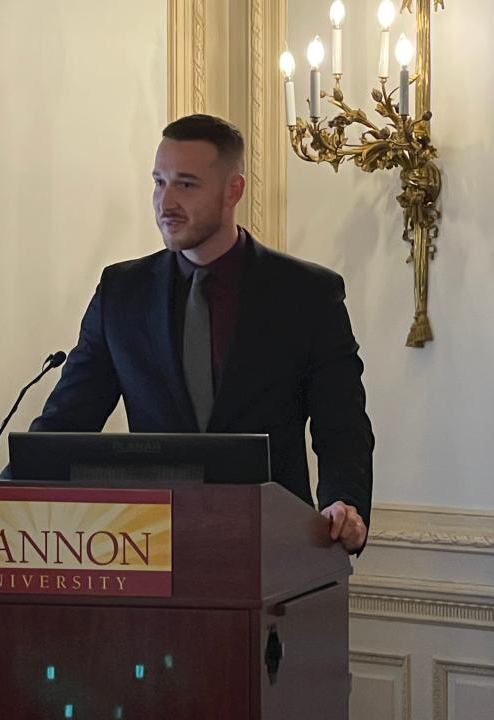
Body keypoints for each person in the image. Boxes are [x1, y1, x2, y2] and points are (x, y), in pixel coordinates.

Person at [22, 114, 374, 552]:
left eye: (185, 184)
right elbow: (66, 424)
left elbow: (342, 427)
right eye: (158, 182)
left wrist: (344, 504)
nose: (165, 202)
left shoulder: (307, 294)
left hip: (274, 552)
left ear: (233, 190)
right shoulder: (121, 293)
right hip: (148, 552)